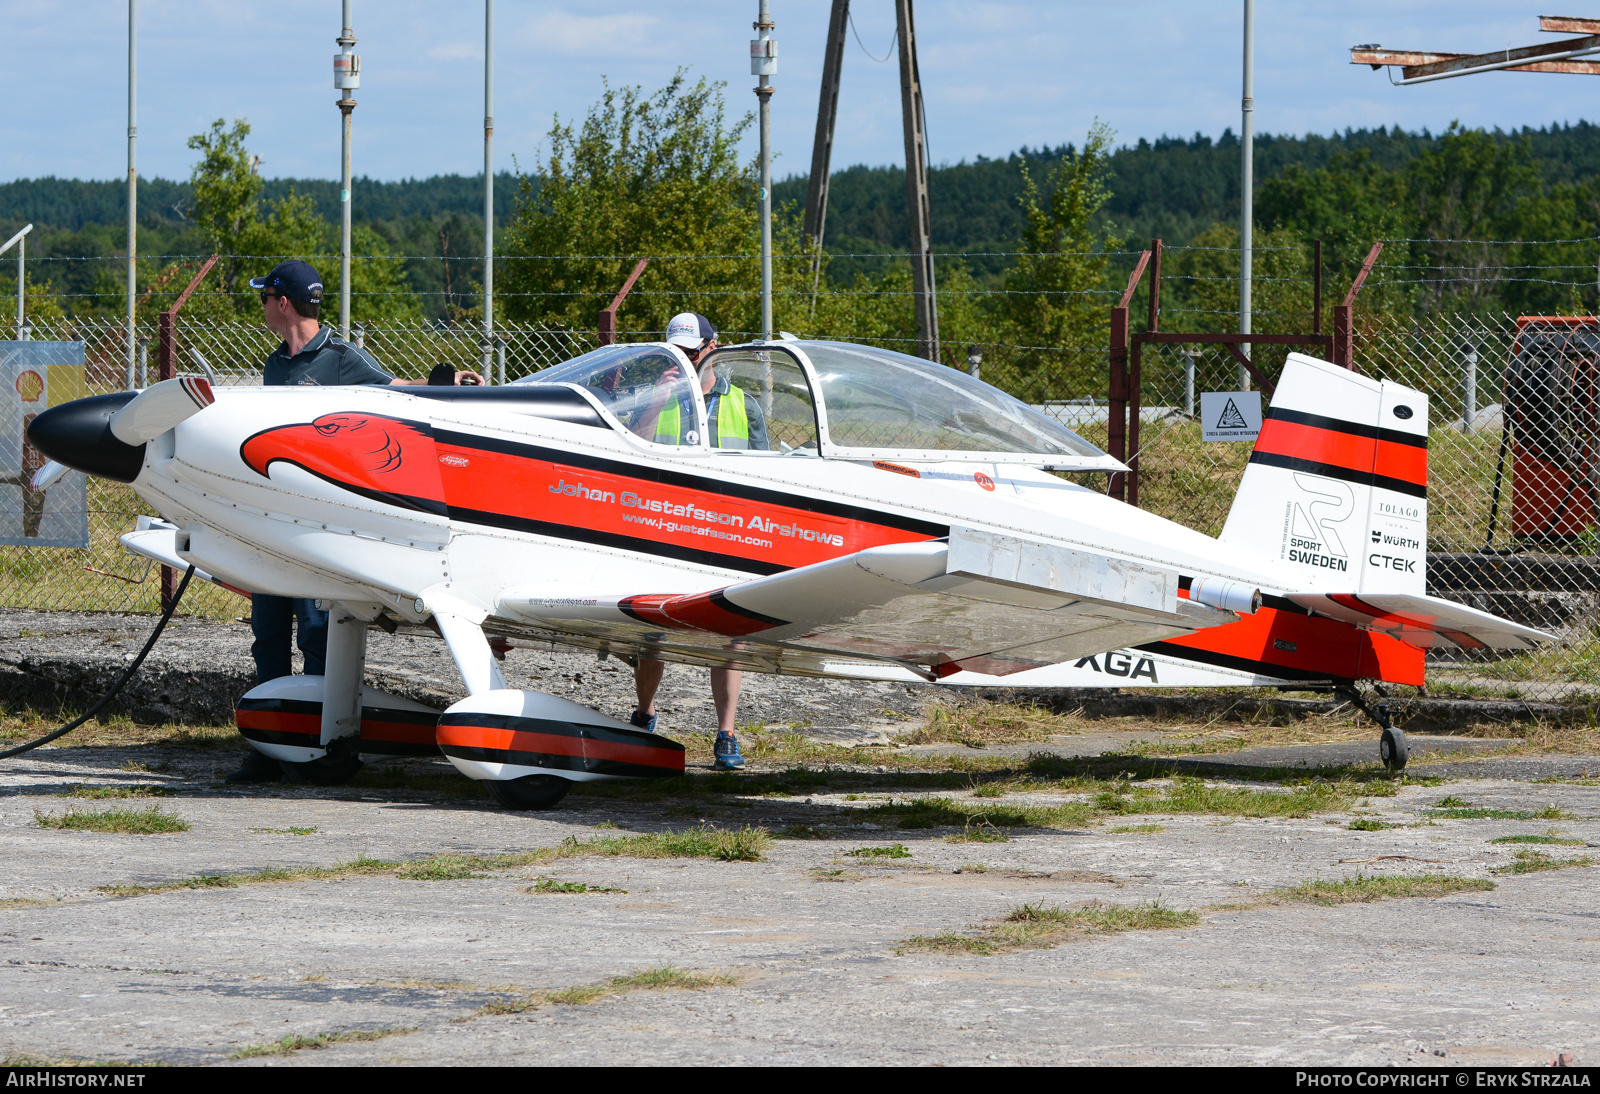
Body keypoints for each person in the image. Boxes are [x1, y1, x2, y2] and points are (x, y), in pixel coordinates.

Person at [227, 259, 481, 783]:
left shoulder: (341, 357)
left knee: (317, 632)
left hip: (318, 528)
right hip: (273, 522)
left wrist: (444, 381)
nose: (261, 307)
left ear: (283, 302)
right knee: (267, 631)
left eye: (264, 297)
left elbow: (391, 388)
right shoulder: (276, 365)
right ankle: (272, 747)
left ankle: (327, 745)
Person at [626, 313, 768, 771]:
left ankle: (726, 734)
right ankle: (644, 716)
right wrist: (658, 399)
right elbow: (631, 452)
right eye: (676, 350)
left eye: (692, 350)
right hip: (664, 529)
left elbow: (767, 476)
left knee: (732, 637)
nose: (684, 358)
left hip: (725, 533)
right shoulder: (655, 398)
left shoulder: (742, 404)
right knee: (652, 629)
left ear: (713, 347)